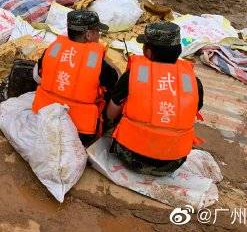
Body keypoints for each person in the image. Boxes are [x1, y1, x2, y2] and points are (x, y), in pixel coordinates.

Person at [107, 22, 204, 176]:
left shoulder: (136, 74)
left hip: (130, 156)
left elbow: (111, 113)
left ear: (149, 52)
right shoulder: (191, 81)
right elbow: (193, 111)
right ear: (178, 50)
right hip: (172, 163)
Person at [32, 10, 118, 145]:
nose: (99, 35)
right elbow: (114, 91)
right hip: (79, 133)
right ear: (89, 34)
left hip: (42, 117)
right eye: (97, 31)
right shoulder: (101, 65)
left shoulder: (53, 49)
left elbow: (37, 76)